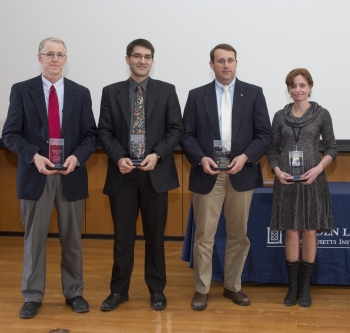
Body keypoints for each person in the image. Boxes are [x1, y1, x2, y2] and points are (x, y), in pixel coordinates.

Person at [2, 37, 97, 318]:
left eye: (60, 55)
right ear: (39, 57)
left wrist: (76, 157)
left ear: (66, 60)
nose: (55, 59)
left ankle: (74, 292)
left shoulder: (81, 93)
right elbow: (10, 134)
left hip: (71, 174)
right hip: (36, 175)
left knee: (72, 240)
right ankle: (32, 296)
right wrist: (34, 155)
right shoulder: (21, 90)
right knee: (34, 240)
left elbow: (91, 135)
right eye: (49, 54)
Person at [181, 43, 273, 310]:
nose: (225, 65)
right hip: (208, 173)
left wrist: (245, 157)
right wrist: (201, 158)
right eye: (220, 61)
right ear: (211, 64)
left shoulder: (254, 94)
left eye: (230, 60)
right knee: (204, 236)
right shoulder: (196, 95)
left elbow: (264, 134)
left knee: (238, 235)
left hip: (240, 173)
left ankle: (233, 287)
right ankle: (201, 289)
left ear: (236, 63)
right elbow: (186, 135)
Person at [98, 38, 183, 311]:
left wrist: (156, 154)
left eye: (147, 56)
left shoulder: (167, 91)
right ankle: (118, 291)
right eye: (137, 56)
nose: (142, 60)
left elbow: (175, 129)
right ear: (127, 59)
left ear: (152, 60)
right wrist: (118, 157)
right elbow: (104, 131)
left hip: (154, 174)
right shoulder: (111, 92)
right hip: (122, 175)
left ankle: (157, 291)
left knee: (155, 238)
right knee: (123, 239)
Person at [266, 68, 337, 307]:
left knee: (309, 231)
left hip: (312, 180)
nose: (298, 90)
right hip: (286, 181)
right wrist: (276, 171)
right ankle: (292, 286)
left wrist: (317, 169)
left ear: (309, 87)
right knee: (290, 231)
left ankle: (305, 287)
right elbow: (272, 150)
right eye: (293, 86)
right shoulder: (279, 116)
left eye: (302, 85)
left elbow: (331, 149)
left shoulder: (321, 114)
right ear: (288, 89)